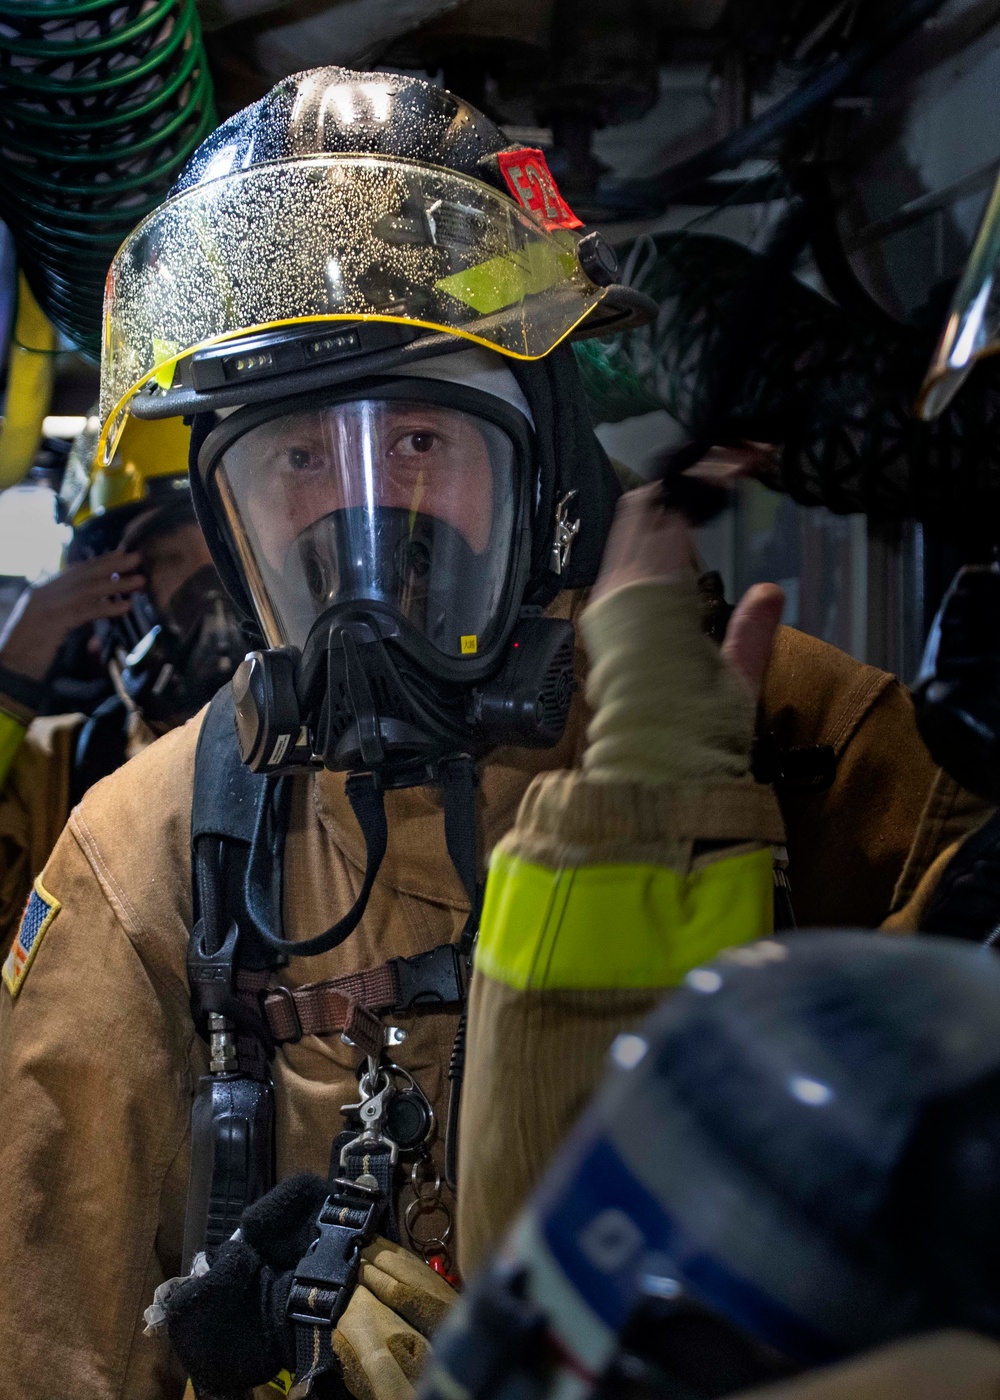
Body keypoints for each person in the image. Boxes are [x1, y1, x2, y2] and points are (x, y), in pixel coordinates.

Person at [0, 65, 981, 1400]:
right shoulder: (144, 848)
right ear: (225, 514)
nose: (361, 517)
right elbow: (48, 1331)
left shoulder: (808, 741)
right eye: (295, 459)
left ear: (550, 466)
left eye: (417, 438)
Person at [0, 416, 247, 954]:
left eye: (223, 549)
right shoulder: (53, 769)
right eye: (172, 558)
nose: (210, 587)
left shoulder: (336, 751)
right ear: (108, 595)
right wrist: (9, 678)